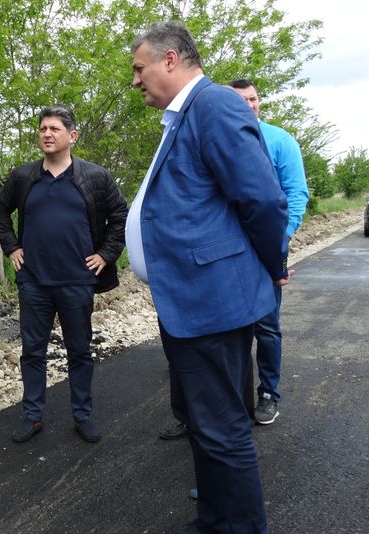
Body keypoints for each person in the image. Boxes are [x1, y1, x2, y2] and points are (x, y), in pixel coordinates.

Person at [127, 22, 290, 533]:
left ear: (170, 59)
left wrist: (273, 266)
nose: (135, 80)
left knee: (222, 430)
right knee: (205, 426)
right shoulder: (185, 115)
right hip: (189, 300)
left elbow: (263, 200)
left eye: (140, 68)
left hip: (212, 301)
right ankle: (215, 520)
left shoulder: (215, 105)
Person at [0, 104, 128, 444]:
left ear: (72, 135)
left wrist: (106, 254)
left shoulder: (95, 177)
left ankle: (82, 416)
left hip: (77, 281)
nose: (47, 134)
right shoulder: (24, 177)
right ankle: (33, 415)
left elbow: (120, 216)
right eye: (43, 129)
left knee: (79, 351)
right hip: (34, 282)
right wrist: (12, 247)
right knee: (32, 352)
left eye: (54, 128)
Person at [229, 78, 309, 424]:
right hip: (227, 250)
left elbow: (296, 193)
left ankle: (268, 394)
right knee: (230, 327)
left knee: (266, 325)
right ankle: (231, 397)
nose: (249, 105)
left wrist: (281, 237)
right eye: (241, 100)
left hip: (267, 247)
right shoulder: (221, 141)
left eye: (253, 99)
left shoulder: (280, 140)